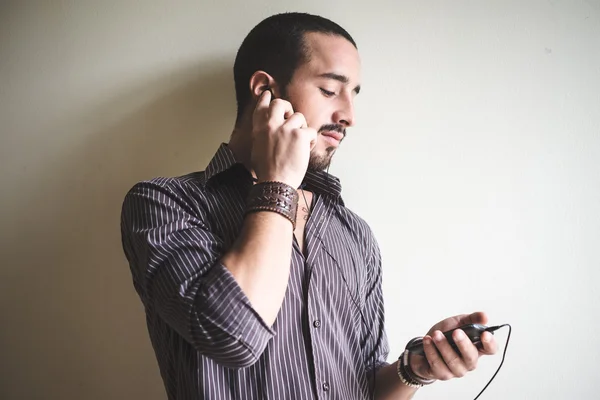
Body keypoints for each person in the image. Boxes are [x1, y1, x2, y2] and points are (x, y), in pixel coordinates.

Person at [120, 12, 498, 400]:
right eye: (330, 91)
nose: (348, 116)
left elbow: (366, 386)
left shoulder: (353, 233)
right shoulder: (165, 204)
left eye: (354, 94)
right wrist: (279, 182)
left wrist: (414, 370)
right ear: (264, 90)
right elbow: (232, 337)